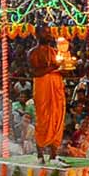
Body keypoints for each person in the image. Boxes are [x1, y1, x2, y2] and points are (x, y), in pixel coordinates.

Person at [29, 26, 66, 160]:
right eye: (46, 32)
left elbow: (64, 71)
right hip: (42, 87)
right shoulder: (33, 53)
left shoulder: (56, 52)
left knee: (57, 117)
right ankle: (40, 152)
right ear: (37, 35)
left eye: (50, 32)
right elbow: (34, 72)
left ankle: (54, 154)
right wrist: (53, 67)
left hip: (56, 87)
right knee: (43, 118)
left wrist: (66, 65)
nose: (49, 35)